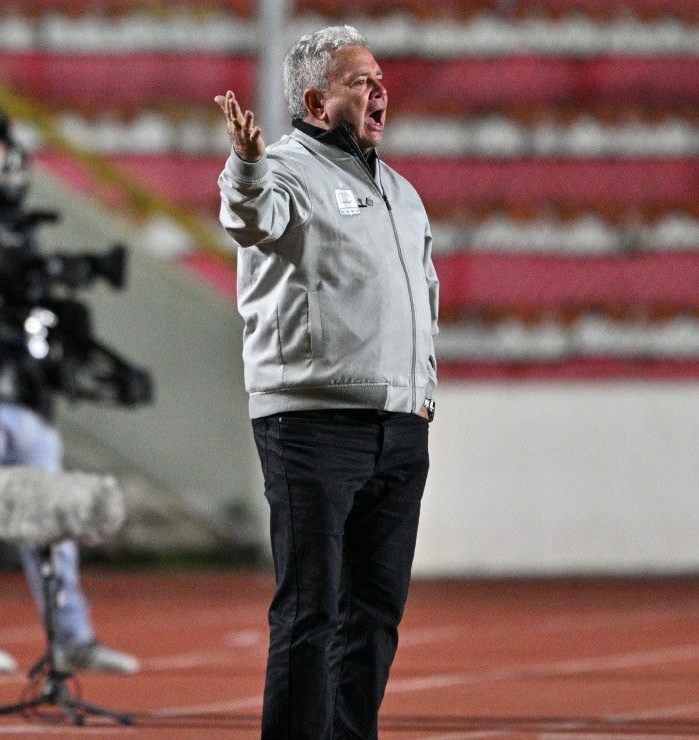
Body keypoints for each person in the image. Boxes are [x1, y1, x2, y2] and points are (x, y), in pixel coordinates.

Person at [215, 24, 438, 739]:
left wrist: (422, 396)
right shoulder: (281, 168)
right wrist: (245, 164)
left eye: (379, 78)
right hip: (312, 421)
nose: (379, 89)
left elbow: (424, 298)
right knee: (312, 609)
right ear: (315, 101)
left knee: (374, 613)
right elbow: (251, 219)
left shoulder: (401, 191)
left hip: (399, 424)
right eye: (358, 80)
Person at [0, 99, 139, 675]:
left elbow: (35, 296)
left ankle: (70, 637)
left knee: (50, 517)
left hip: (24, 390)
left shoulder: (19, 223)